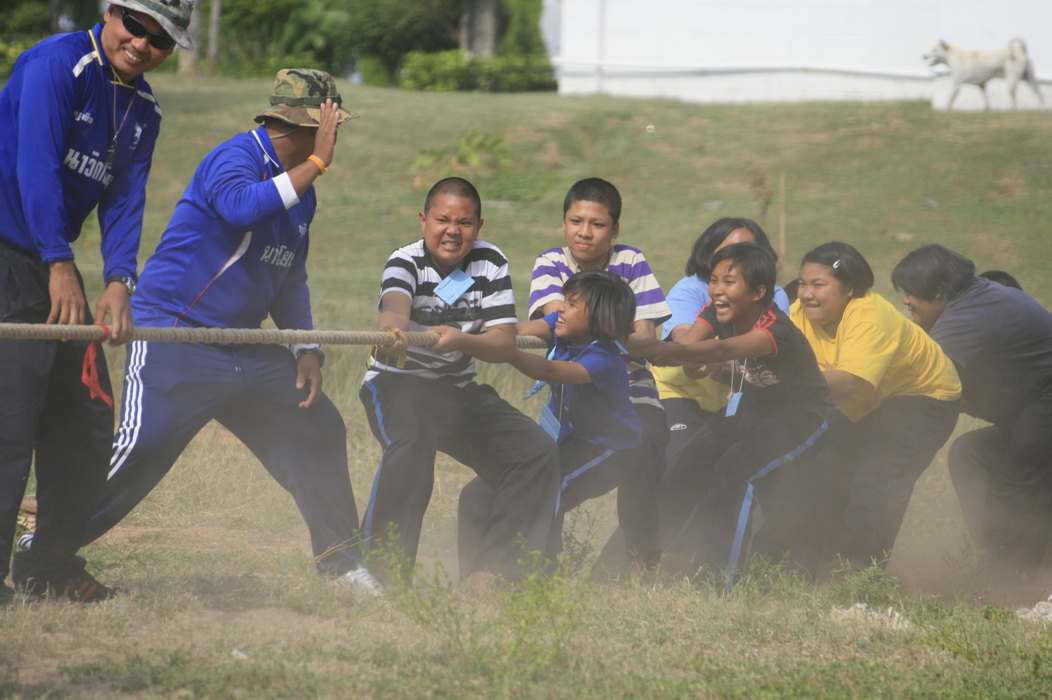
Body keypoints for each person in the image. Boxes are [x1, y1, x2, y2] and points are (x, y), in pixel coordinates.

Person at [46, 69, 377, 594]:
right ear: (310, 126)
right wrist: (317, 164)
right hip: (176, 333)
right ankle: (42, 550)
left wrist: (306, 347)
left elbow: (289, 277)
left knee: (317, 427)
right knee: (140, 450)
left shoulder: (302, 194)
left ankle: (340, 565)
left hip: (244, 344)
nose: (337, 135)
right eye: (333, 124)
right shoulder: (235, 157)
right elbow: (241, 206)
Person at [0, 0, 194, 603]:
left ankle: (49, 567)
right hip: (13, 256)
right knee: (9, 422)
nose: (142, 44)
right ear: (112, 13)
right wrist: (59, 260)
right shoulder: (56, 64)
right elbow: (35, 166)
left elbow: (126, 197)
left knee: (85, 417)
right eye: (135, 26)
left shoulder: (145, 109)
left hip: (50, 264)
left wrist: (118, 280)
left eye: (159, 40)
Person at [358, 177, 560, 585]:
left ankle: (492, 573)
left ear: (478, 226)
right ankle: (380, 575)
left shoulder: (491, 262)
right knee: (412, 444)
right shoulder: (404, 261)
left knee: (536, 452)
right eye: (443, 220)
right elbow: (394, 309)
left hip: (458, 391)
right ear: (423, 220)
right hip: (397, 383)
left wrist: (462, 340)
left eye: (464, 223)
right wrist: (392, 332)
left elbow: (503, 343)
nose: (452, 231)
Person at [650, 242, 836, 588]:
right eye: (714, 280)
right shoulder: (716, 310)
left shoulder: (775, 329)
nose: (717, 290)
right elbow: (689, 347)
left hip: (803, 414)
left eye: (729, 281)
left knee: (735, 472)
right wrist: (680, 356)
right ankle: (637, 561)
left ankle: (715, 583)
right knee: (683, 467)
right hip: (752, 406)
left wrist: (664, 351)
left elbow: (720, 348)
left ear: (758, 292)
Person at [454, 271, 641, 575]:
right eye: (565, 300)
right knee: (476, 494)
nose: (561, 307)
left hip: (609, 450)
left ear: (602, 319)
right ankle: (473, 576)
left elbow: (550, 371)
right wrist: (478, 334)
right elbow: (514, 331)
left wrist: (505, 351)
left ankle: (536, 575)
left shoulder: (604, 359)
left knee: (546, 492)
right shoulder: (562, 324)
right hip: (565, 440)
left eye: (573, 303)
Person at [527, 177, 670, 572]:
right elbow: (562, 323)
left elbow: (646, 336)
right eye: (576, 221)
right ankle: (545, 563)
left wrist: (599, 329)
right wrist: (615, 326)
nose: (584, 232)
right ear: (563, 223)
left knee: (645, 446)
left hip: (634, 393)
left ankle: (642, 562)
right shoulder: (550, 262)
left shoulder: (632, 261)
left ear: (615, 229)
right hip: (578, 398)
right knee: (549, 479)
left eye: (598, 224)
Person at [791, 242, 961, 567]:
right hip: (868, 403)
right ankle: (823, 567)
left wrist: (785, 382)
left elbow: (850, 382)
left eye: (819, 284)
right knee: (828, 473)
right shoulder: (799, 314)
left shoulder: (869, 316)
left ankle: (861, 580)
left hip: (924, 396)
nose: (807, 294)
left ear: (849, 288)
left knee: (876, 482)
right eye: (802, 283)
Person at [892, 245, 1052, 580]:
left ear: (939, 292)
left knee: (1015, 477)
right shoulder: (975, 298)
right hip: (1032, 406)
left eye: (911, 292)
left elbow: (923, 377)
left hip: (1044, 401)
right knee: (970, 453)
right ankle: (995, 552)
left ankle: (1014, 578)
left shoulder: (969, 313)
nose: (906, 300)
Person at [653, 218, 791, 461]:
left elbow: (749, 351)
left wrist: (709, 360)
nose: (735, 260)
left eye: (746, 252)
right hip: (683, 392)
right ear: (708, 258)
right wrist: (667, 353)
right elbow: (685, 341)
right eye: (727, 253)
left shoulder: (774, 297)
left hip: (746, 395)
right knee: (681, 461)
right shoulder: (691, 291)